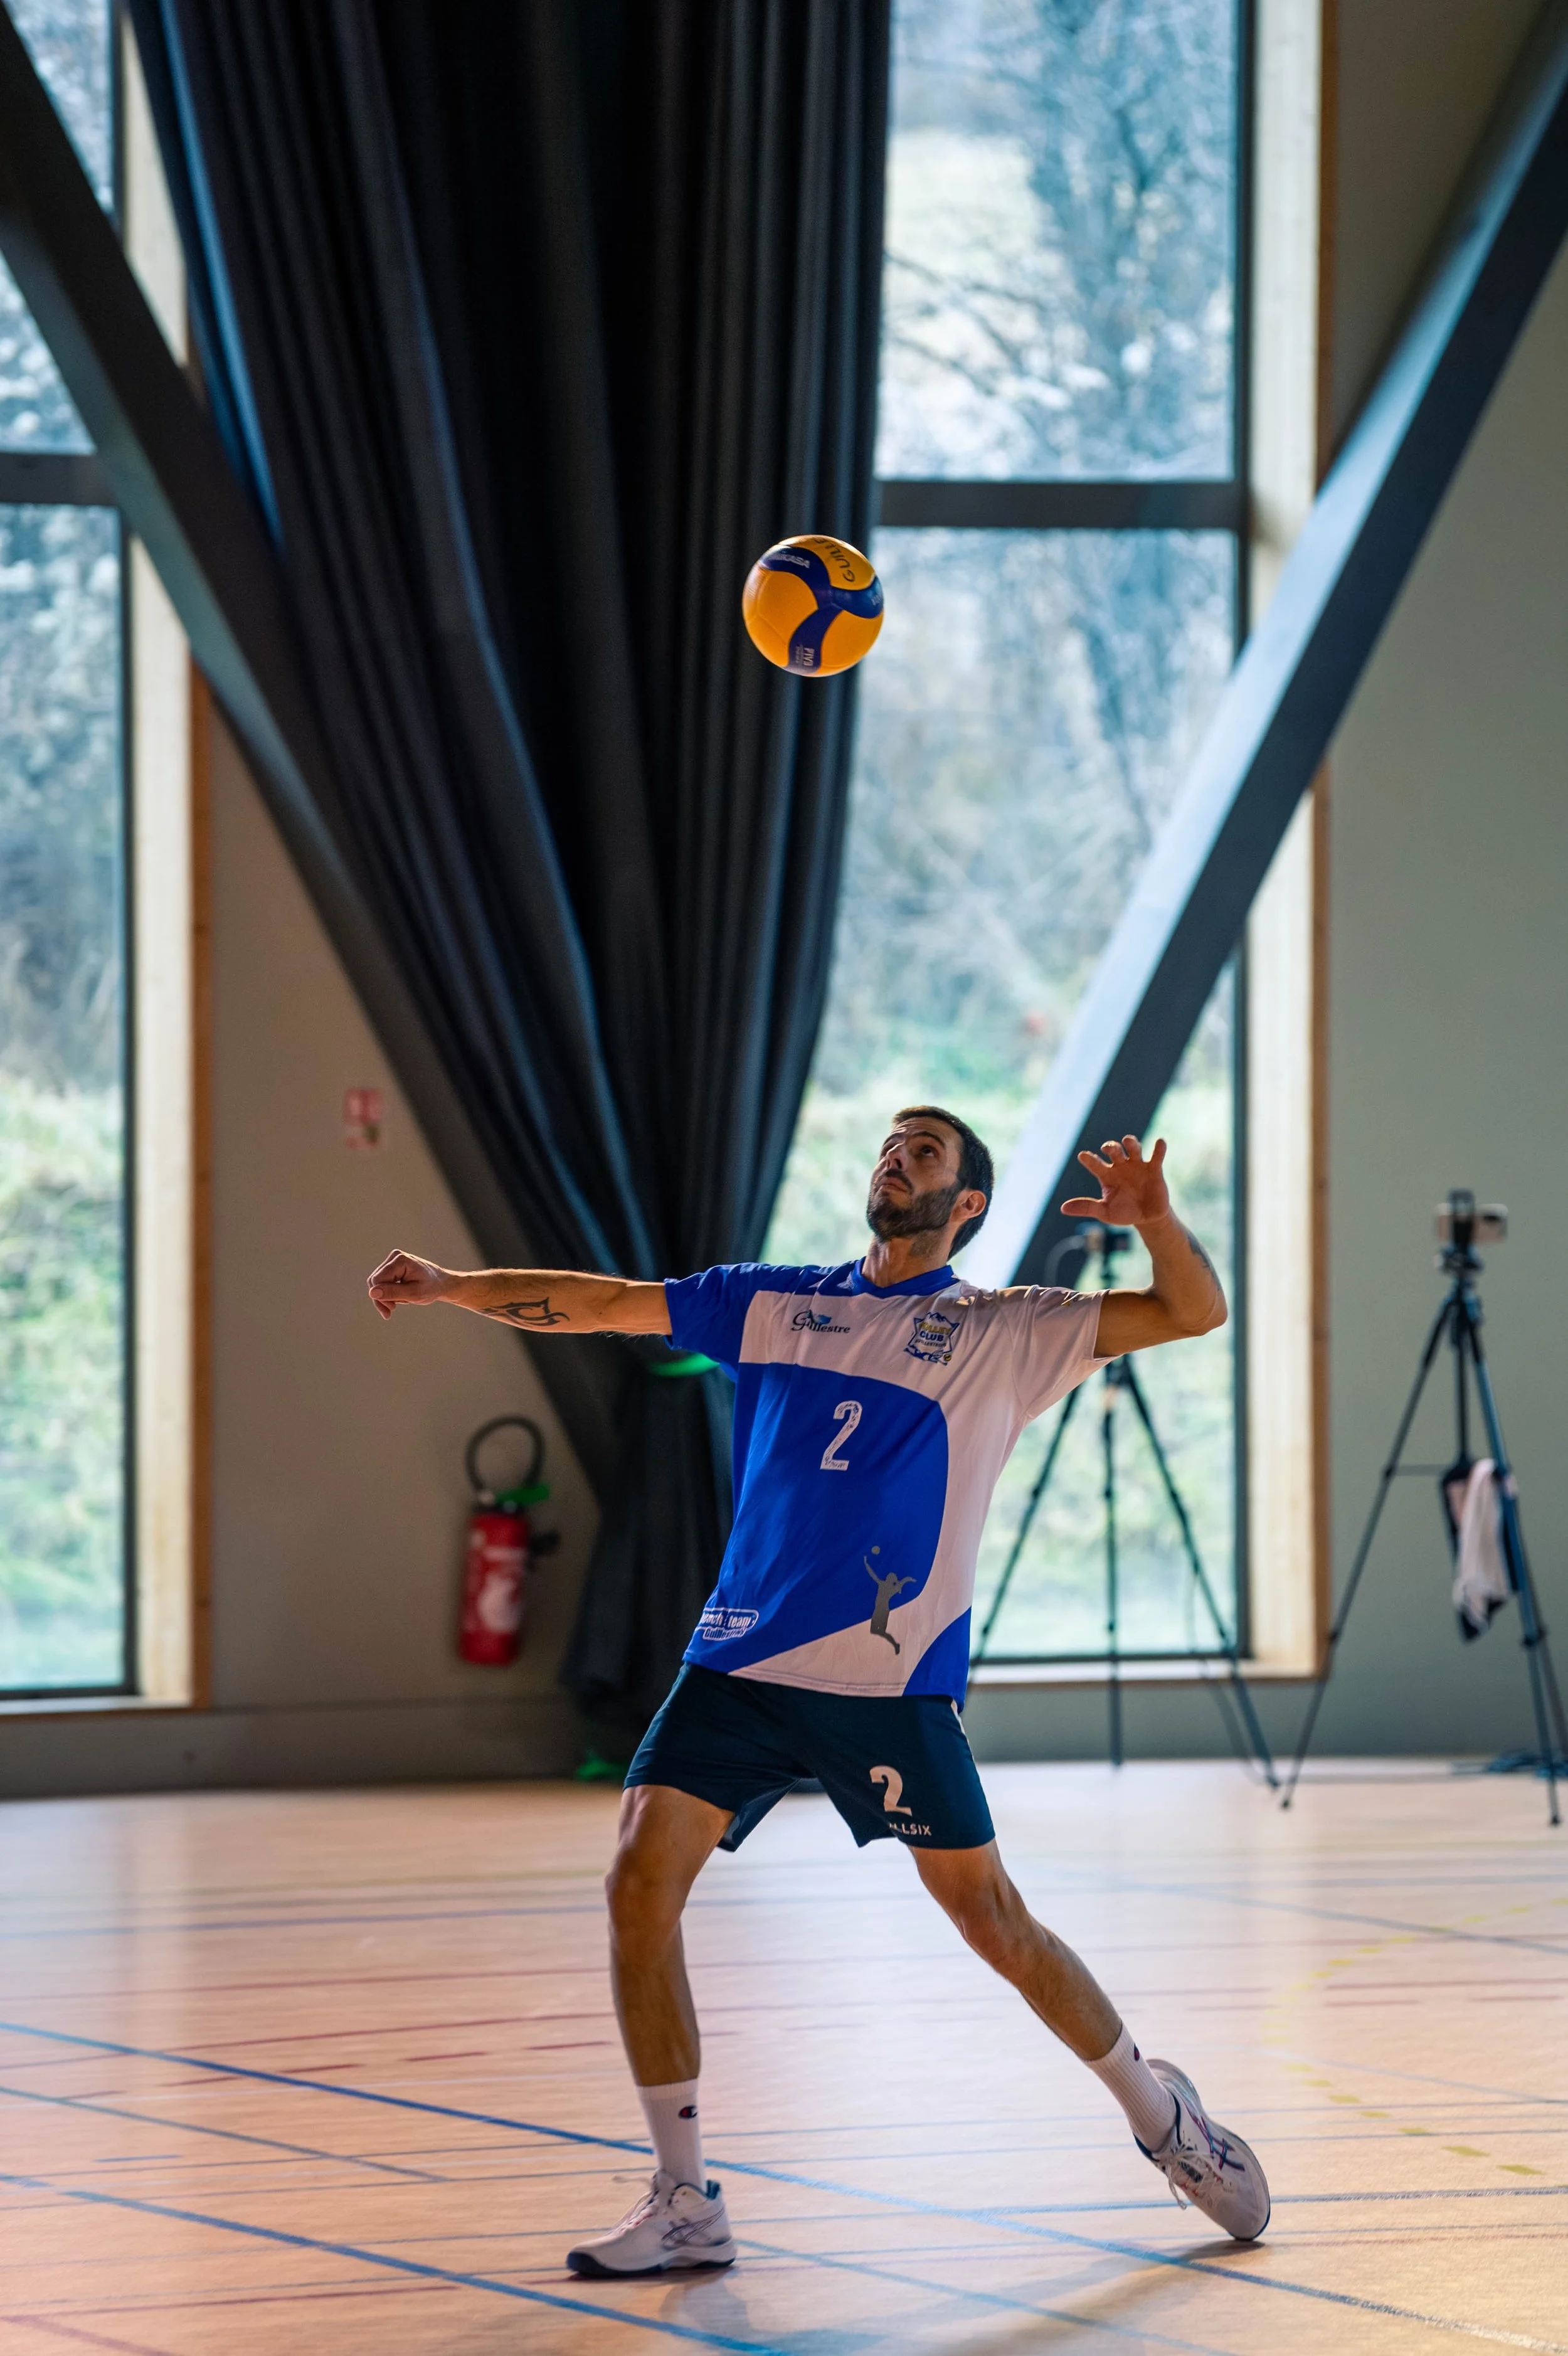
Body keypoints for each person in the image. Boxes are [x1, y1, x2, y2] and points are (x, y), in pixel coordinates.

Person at [367, 1108, 1269, 2275]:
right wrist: (451, 1284)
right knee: (639, 1882)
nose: (900, 1155)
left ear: (969, 1206)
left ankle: (1162, 2115)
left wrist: (1159, 1224)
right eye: (893, 1142)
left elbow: (1195, 1313)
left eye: (929, 1150)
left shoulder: (1004, 1329)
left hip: (887, 1684)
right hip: (739, 1665)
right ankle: (687, 2201)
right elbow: (604, 1302)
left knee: (989, 1920)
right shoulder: (780, 1300)